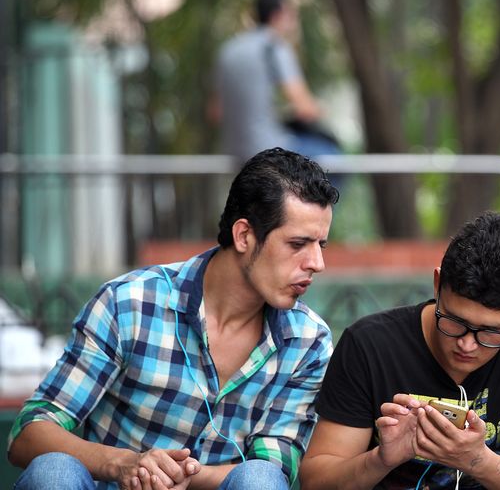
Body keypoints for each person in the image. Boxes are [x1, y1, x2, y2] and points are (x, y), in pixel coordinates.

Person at [8, 147, 339, 490]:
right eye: (298, 244)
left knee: (261, 480)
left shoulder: (308, 341)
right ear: (244, 236)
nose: (317, 263)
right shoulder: (130, 303)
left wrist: (177, 475)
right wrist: (124, 464)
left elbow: (275, 467)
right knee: (53, 472)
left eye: (321, 245)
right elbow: (30, 432)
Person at [299, 212, 500, 490]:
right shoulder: (369, 345)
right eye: (455, 321)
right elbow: (315, 481)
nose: (467, 344)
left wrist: (479, 462)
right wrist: (380, 459)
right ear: (437, 284)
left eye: (491, 332)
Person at [213, 0, 340, 165]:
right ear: (277, 15)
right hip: (268, 149)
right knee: (332, 156)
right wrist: (321, 109)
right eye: (292, 15)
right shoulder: (273, 47)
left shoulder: (228, 50)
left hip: (234, 151)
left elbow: (216, 112)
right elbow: (305, 109)